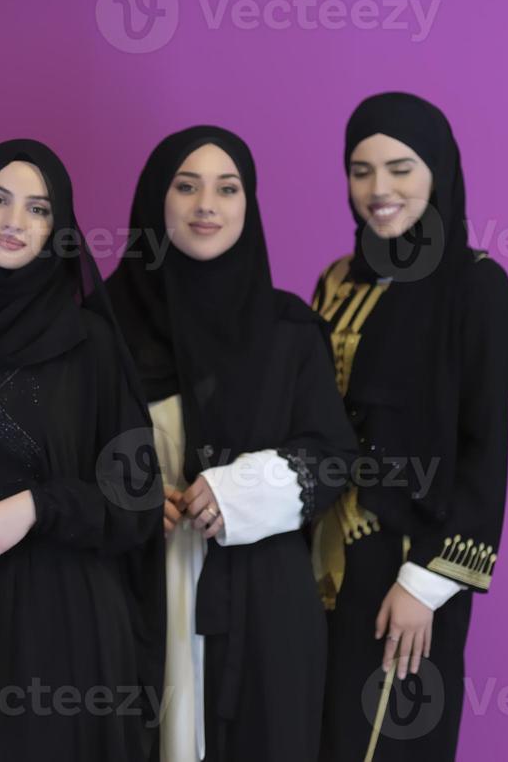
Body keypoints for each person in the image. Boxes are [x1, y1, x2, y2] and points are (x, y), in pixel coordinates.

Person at [0, 138, 166, 762]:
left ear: (59, 231)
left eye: (39, 209)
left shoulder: (90, 344)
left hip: (66, 629)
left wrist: (36, 507)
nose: (13, 221)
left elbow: (137, 500)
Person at [106, 125, 357, 762]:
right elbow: (64, 447)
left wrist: (240, 489)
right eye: (185, 187)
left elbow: (332, 453)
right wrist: (125, 494)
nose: (206, 206)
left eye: (227, 188)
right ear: (154, 203)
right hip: (130, 590)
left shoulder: (290, 331)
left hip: (262, 604)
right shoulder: (101, 326)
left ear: (250, 204)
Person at [312, 92, 508, 762]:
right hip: (318, 563)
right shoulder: (335, 281)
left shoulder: (473, 285)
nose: (378, 189)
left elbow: (483, 449)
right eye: (360, 169)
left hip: (406, 567)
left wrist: (426, 582)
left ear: (436, 171)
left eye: (399, 168)